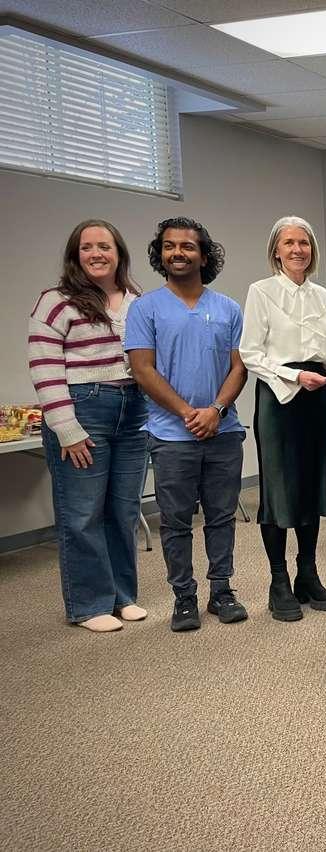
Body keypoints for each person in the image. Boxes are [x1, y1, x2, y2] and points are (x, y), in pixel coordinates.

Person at [125, 217, 248, 632]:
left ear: (204, 254)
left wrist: (214, 409)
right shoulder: (145, 309)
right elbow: (142, 369)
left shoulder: (228, 308)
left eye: (188, 246)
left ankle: (221, 591)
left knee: (221, 516)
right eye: (169, 246)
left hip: (223, 431)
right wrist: (186, 413)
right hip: (170, 435)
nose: (178, 253)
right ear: (160, 254)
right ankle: (184, 597)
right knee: (175, 521)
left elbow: (239, 367)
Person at [28, 220, 149, 632]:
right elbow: (44, 366)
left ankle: (123, 596)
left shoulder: (137, 299)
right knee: (82, 513)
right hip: (82, 409)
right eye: (87, 247)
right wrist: (65, 426)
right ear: (75, 255)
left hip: (132, 410)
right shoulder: (56, 301)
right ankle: (89, 603)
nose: (96, 254)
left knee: (123, 510)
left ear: (119, 253)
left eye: (105, 246)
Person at [240, 216, 326, 622]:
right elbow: (251, 354)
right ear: (276, 250)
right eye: (289, 243)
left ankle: (307, 573)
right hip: (279, 397)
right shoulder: (261, 292)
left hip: (317, 398)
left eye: (304, 242)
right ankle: (278, 580)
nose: (298, 249)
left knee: (312, 488)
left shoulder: (323, 296)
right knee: (280, 490)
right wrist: (293, 376)